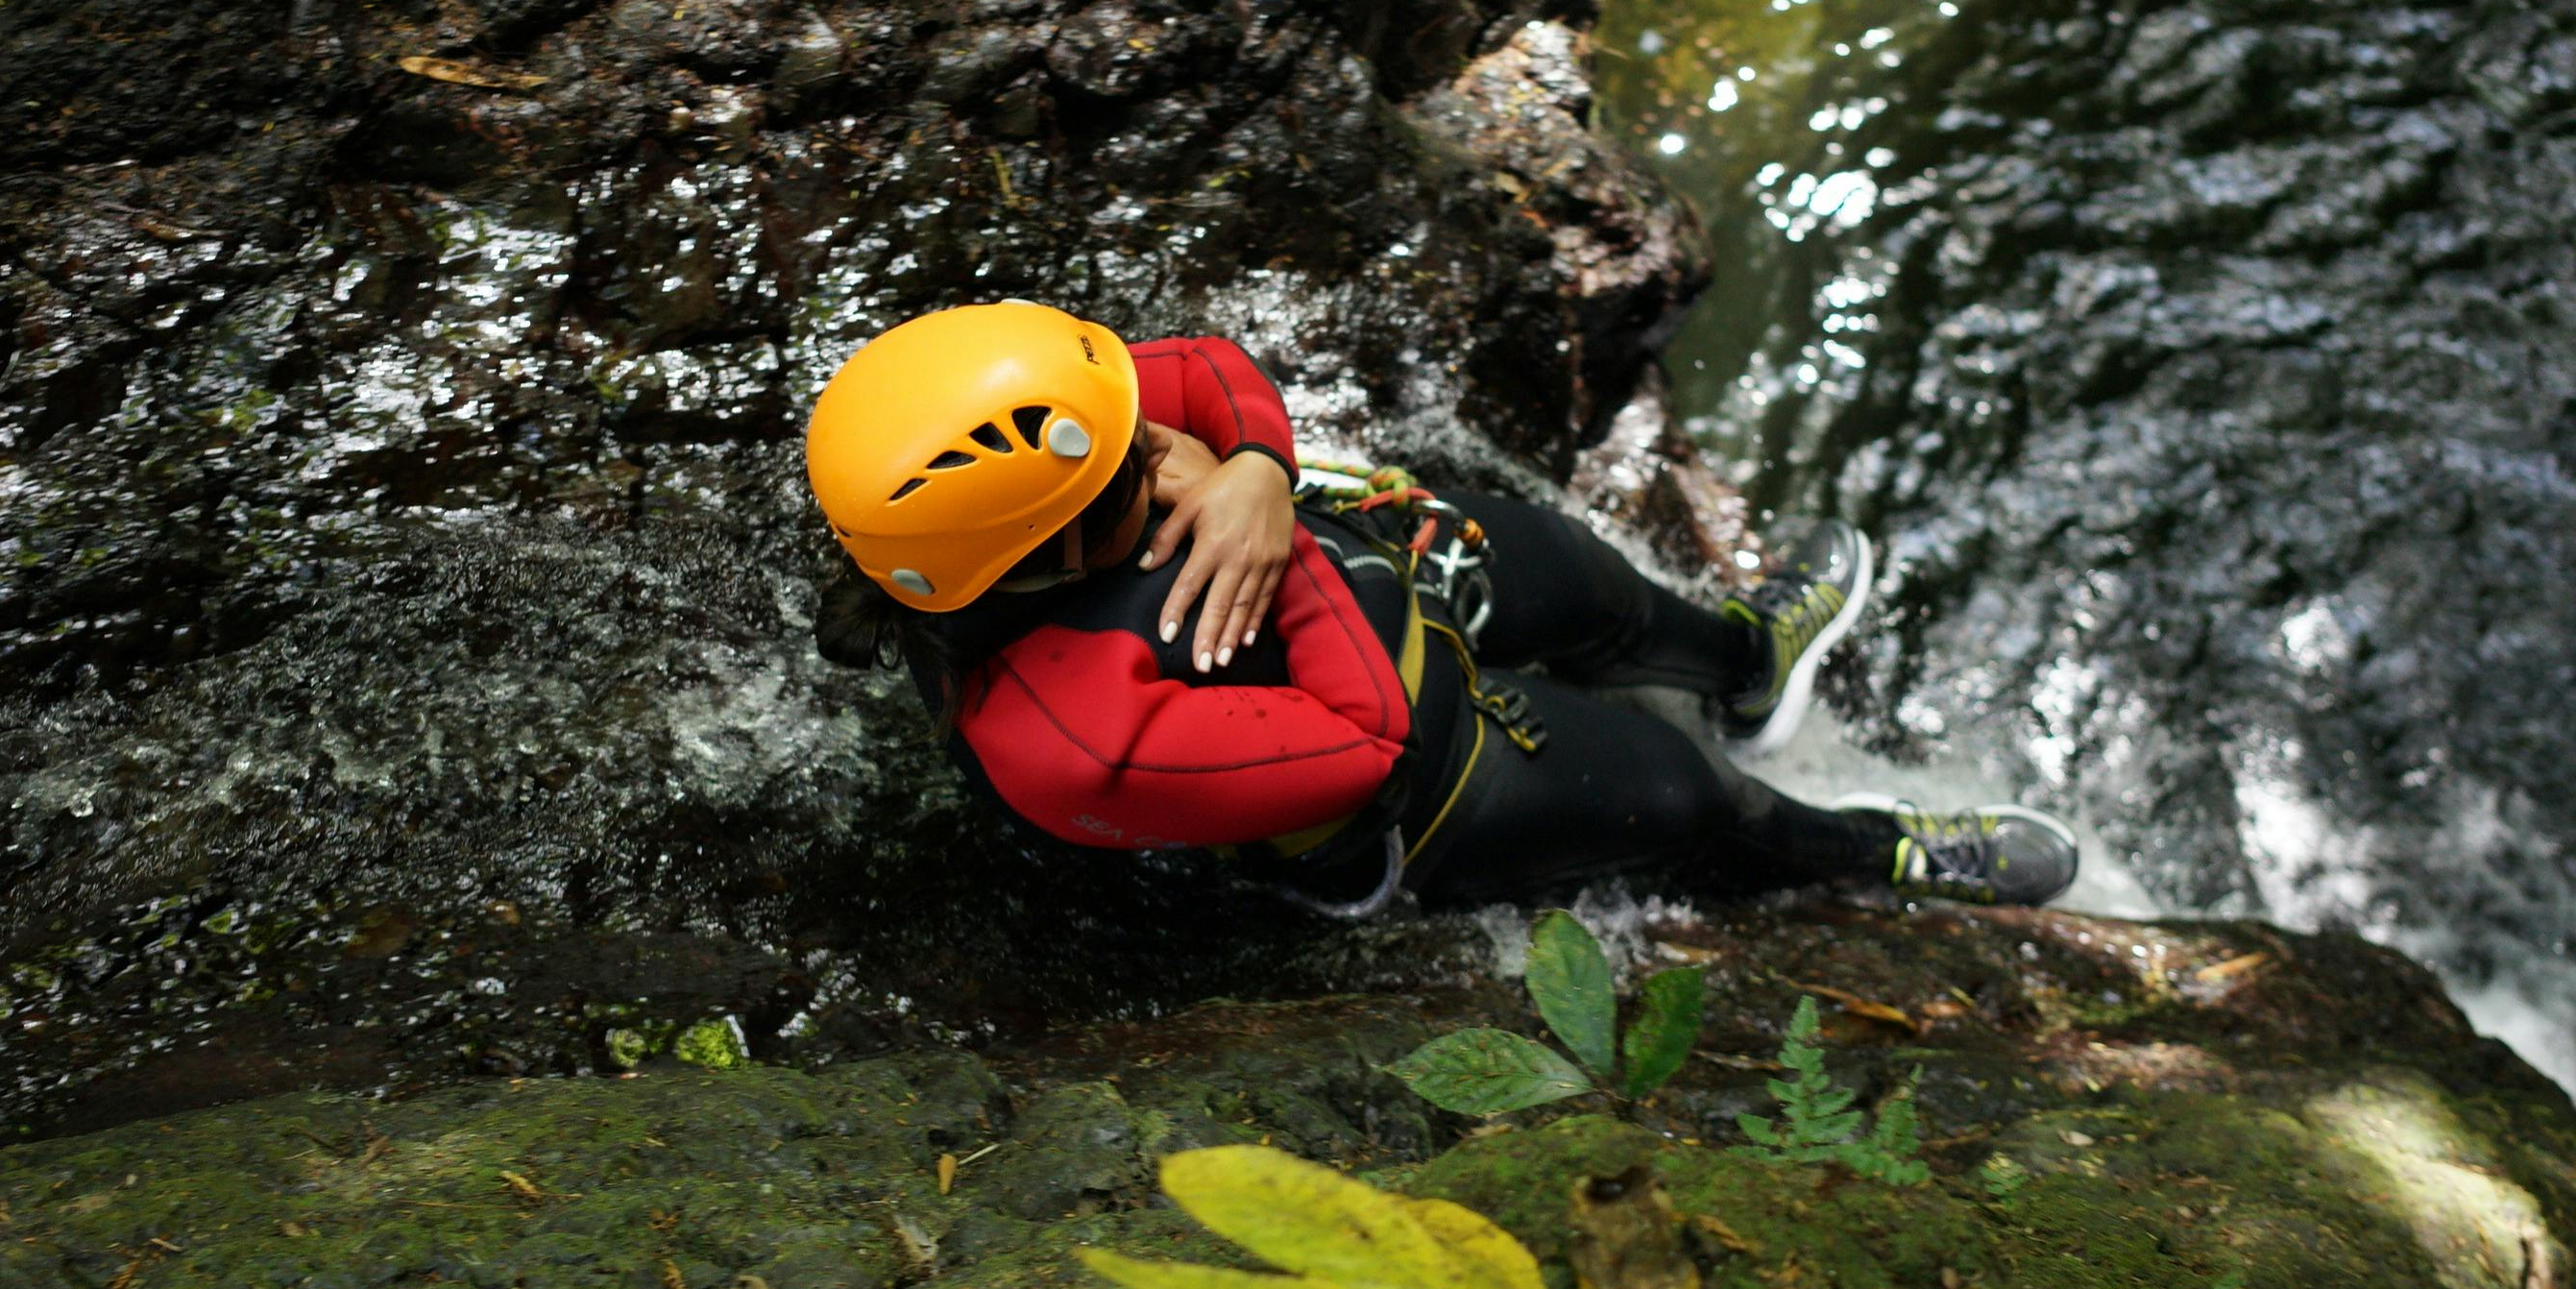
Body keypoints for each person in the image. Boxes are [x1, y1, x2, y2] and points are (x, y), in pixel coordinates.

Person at [803, 301, 2078, 912]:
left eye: (1139, 441)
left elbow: (1198, 370)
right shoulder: (1070, 732)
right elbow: (1369, 743)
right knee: (1693, 802)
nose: (1154, 444)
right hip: (1425, 774)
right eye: (1134, 467)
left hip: (1385, 581)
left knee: (1596, 588)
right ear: (1046, 552)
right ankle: (1874, 858)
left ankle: (1745, 660)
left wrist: (1247, 466)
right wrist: (1279, 536)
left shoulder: (1040, 474)